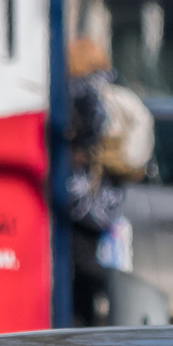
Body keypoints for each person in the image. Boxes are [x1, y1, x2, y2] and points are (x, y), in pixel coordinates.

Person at [56, 39, 130, 328]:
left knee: (79, 264)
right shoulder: (116, 87)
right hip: (109, 189)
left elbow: (82, 134)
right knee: (89, 260)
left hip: (83, 191)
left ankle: (81, 323)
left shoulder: (81, 91)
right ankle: (93, 315)